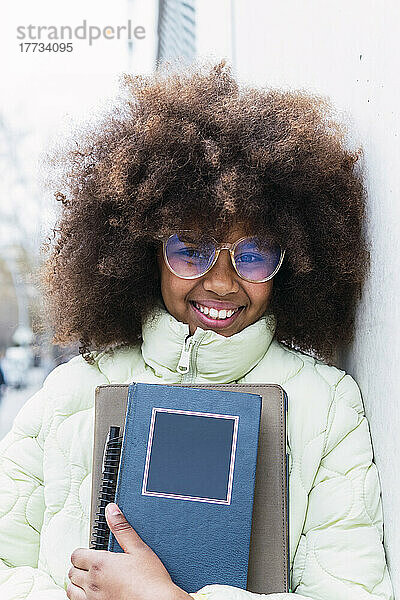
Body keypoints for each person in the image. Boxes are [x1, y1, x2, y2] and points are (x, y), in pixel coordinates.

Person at [0, 60, 394, 600]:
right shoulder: (68, 393)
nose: (224, 283)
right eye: (191, 249)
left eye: (254, 255)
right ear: (144, 254)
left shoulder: (328, 408)